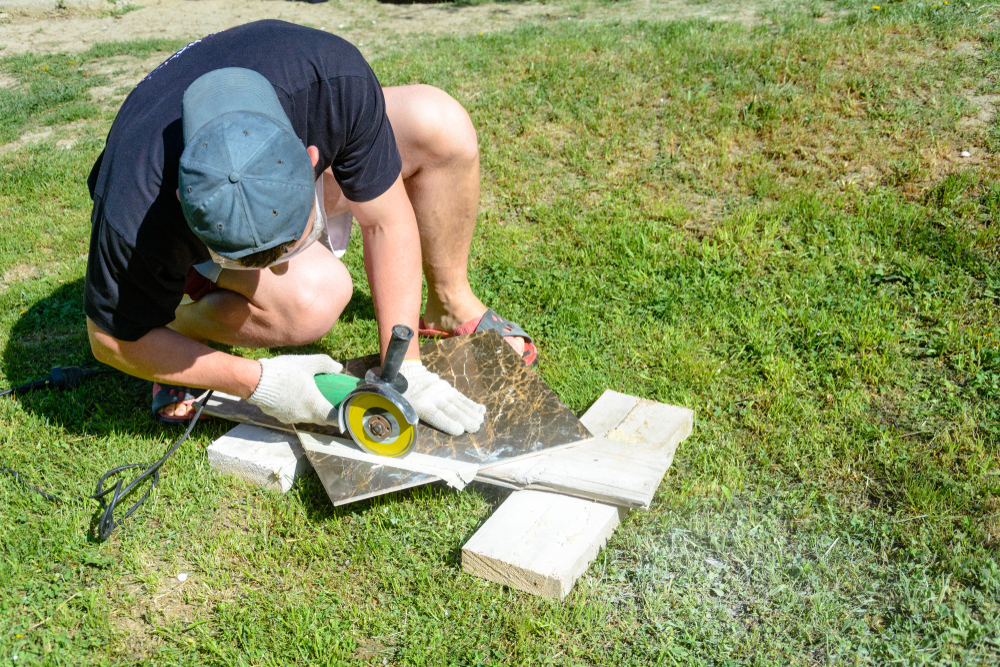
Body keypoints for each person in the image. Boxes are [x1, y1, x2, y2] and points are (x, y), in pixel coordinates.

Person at [84, 19, 536, 435]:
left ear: (311, 159)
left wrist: (407, 369)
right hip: (182, 191)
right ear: (186, 206)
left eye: (288, 248)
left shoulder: (334, 83)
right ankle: (180, 329)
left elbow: (385, 221)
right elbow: (108, 339)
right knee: (313, 301)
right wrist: (257, 381)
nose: (278, 270)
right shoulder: (136, 204)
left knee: (439, 125)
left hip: (297, 96)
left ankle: (448, 306)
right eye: (256, 256)